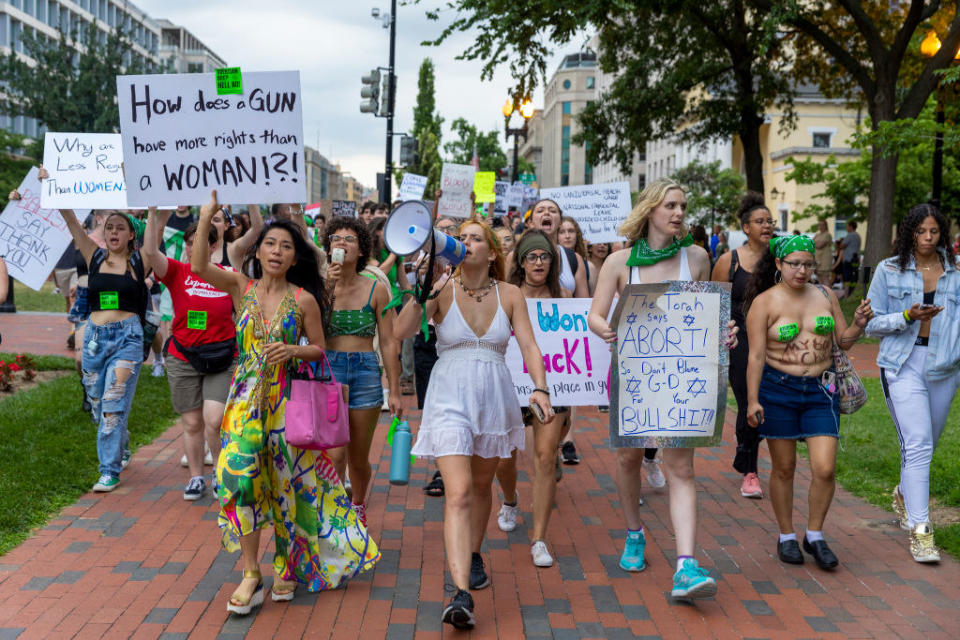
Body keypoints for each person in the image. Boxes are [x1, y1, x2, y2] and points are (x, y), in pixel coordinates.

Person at [191, 191, 379, 614]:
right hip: (243, 404)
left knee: (284, 488)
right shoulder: (242, 285)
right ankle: (250, 572)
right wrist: (206, 218)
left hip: (286, 406)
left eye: (286, 246)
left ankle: (284, 563)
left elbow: (319, 349)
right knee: (241, 484)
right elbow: (200, 266)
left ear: (296, 258)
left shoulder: (304, 299)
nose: (277, 251)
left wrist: (293, 351)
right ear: (258, 251)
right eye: (271, 244)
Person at [395, 218, 552, 630]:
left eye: (475, 237)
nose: (465, 242)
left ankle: (474, 551)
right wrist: (421, 292)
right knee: (459, 491)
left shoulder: (511, 294)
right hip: (448, 395)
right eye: (460, 237)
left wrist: (541, 388)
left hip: (494, 395)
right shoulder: (441, 288)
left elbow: (530, 345)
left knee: (483, 486)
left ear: (492, 251)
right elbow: (399, 331)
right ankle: (460, 592)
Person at [588, 177, 735, 600]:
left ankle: (686, 565)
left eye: (683, 206)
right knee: (629, 457)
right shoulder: (620, 263)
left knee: (681, 468)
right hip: (634, 373)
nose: (679, 213)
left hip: (684, 378)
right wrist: (607, 331)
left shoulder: (698, 258)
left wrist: (725, 332)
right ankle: (635, 531)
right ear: (650, 209)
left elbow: (706, 315)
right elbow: (596, 316)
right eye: (671, 205)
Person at [744, 234, 872, 570]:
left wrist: (858, 324)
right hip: (778, 389)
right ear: (778, 264)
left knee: (825, 469)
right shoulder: (765, 303)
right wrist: (752, 400)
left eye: (808, 264)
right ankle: (786, 535)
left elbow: (842, 342)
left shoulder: (825, 295)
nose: (802, 271)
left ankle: (814, 534)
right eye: (794, 264)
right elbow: (755, 356)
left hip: (820, 390)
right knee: (784, 468)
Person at [865, 203, 960, 563]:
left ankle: (905, 493)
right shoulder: (890, 271)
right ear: (909, 233)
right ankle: (922, 532)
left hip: (944, 367)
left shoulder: (955, 271)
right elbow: (871, 323)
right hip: (903, 364)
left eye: (934, 232)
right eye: (920, 232)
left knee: (926, 445)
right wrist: (907, 316)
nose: (927, 238)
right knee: (918, 443)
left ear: (942, 234)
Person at [143, 208, 236, 501]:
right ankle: (196, 476)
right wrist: (152, 212)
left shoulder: (229, 276)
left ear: (212, 247)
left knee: (214, 418)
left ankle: (221, 473)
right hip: (183, 356)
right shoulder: (176, 271)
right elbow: (149, 251)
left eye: (200, 243)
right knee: (192, 422)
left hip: (222, 357)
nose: (192, 248)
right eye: (189, 242)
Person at [494, 231, 570, 567]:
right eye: (531, 256)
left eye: (545, 257)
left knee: (544, 457)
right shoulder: (507, 295)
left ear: (552, 263)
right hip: (510, 387)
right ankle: (510, 499)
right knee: (504, 457)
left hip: (553, 388)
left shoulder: (564, 297)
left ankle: (539, 539)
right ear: (521, 262)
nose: (538, 262)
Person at [59, 207, 147, 492]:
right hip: (96, 339)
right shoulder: (94, 256)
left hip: (127, 340)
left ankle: (109, 471)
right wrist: (54, 188)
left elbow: (156, 226)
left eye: (120, 228)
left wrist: (155, 206)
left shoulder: (139, 260)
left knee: (112, 404)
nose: (113, 232)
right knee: (99, 407)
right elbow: (72, 221)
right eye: (110, 227)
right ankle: (121, 438)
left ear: (131, 234)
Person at [322, 216, 403, 525]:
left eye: (350, 239)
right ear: (329, 248)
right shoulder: (320, 287)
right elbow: (309, 326)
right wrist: (328, 286)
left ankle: (357, 504)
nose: (342, 243)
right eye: (336, 239)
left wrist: (394, 390)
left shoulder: (376, 289)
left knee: (358, 457)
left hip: (366, 371)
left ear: (361, 250)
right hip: (329, 371)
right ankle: (334, 512)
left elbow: (389, 342)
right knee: (335, 454)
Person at [712, 192, 774, 499]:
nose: (766, 226)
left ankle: (744, 450)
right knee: (748, 398)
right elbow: (715, 304)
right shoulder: (729, 261)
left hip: (772, 342)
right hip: (739, 342)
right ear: (745, 227)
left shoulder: (780, 259)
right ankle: (750, 470)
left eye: (769, 221)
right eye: (759, 221)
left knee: (764, 399)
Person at [512, 200, 588, 297]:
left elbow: (583, 304)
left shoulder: (574, 258)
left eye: (552, 211)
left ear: (560, 222)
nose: (547, 213)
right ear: (530, 223)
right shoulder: (513, 255)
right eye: (540, 211)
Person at [839, 221, 861, 298]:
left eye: (847, 226)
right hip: (855, 259)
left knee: (847, 278)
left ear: (851, 227)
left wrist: (840, 242)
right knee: (853, 277)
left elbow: (842, 245)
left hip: (848, 260)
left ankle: (846, 294)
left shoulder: (850, 235)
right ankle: (850, 293)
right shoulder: (858, 236)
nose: (846, 228)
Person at [813, 219, 833, 286]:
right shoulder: (817, 235)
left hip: (825, 259)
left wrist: (816, 243)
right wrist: (816, 243)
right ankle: (822, 294)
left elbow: (819, 246)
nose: (820, 226)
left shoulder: (827, 235)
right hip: (817, 258)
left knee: (825, 278)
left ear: (826, 226)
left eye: (822, 225)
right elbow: (811, 243)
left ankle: (828, 294)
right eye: (819, 225)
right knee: (819, 278)